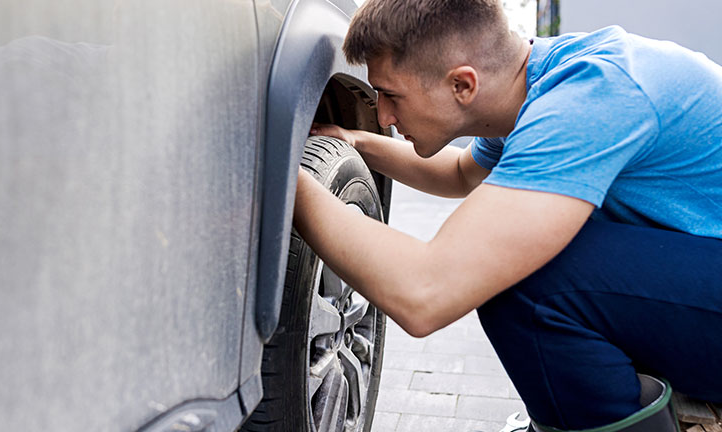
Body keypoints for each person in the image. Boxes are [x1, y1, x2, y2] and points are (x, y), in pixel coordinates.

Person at [292, 0, 722, 431]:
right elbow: (460, 173)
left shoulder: (587, 100)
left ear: (462, 84)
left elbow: (424, 292)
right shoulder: (536, 82)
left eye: (391, 95)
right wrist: (357, 141)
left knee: (528, 282)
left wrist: (286, 180)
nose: (383, 115)